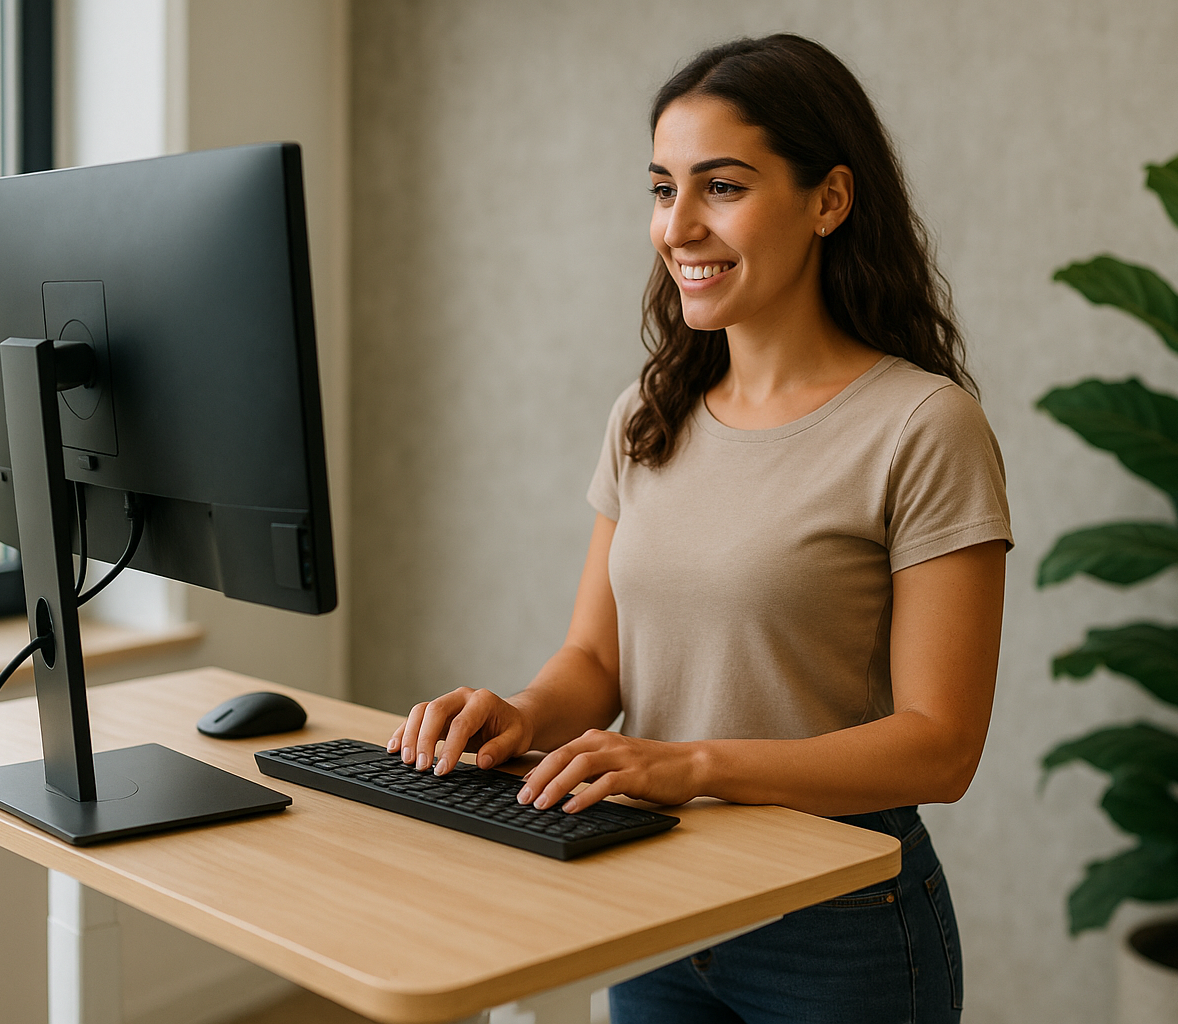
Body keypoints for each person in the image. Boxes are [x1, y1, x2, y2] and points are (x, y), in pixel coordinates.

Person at [387, 34, 1010, 1024]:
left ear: (829, 200)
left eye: (720, 187)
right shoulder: (650, 409)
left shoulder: (924, 426)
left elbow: (941, 748)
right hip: (657, 900)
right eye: (661, 189)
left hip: (836, 923)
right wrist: (519, 714)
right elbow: (598, 657)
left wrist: (694, 763)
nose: (677, 226)